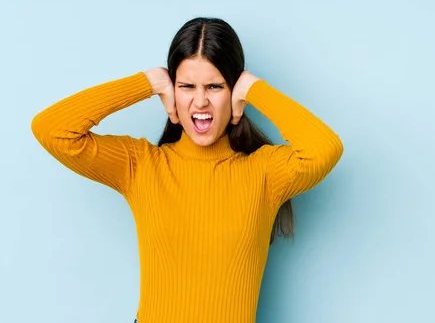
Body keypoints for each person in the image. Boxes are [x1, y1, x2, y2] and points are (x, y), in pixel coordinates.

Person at [31, 17, 343, 323]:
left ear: (234, 94)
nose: (200, 101)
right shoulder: (141, 165)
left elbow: (323, 149)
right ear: (173, 92)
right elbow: (53, 130)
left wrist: (254, 89)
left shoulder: (264, 172)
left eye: (215, 86)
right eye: (186, 86)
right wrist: (147, 83)